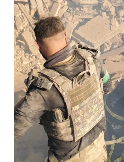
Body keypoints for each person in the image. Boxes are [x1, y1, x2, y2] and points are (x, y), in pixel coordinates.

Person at [14, 16, 111, 162]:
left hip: (71, 158)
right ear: (65, 36)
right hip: (98, 144)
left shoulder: (44, 90)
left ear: (37, 45)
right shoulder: (91, 60)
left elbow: (16, 128)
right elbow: (107, 84)